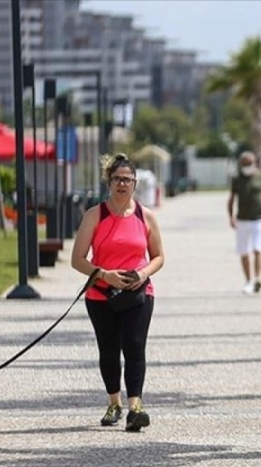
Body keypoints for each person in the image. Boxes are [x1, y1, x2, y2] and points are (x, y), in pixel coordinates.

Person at [71, 153, 165, 432]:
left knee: (135, 348)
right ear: (108, 182)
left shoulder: (145, 216)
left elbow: (159, 257)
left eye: (127, 179)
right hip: (101, 295)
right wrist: (104, 275)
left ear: (135, 183)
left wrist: (143, 274)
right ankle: (114, 402)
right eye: (117, 179)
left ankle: (136, 406)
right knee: (109, 350)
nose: (122, 184)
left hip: (138, 293)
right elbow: (78, 259)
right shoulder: (94, 215)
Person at [228, 151, 261, 294]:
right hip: (242, 220)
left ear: (254, 163)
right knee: (244, 251)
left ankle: (257, 278)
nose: (247, 166)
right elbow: (231, 199)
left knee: (258, 249)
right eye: (244, 164)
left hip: (258, 219)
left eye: (249, 163)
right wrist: (231, 217)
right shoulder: (237, 179)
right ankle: (248, 280)